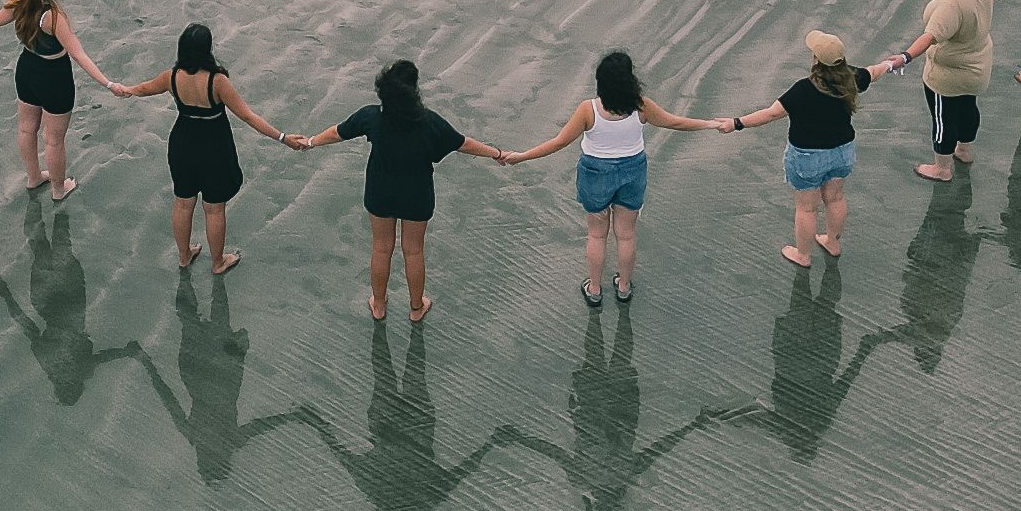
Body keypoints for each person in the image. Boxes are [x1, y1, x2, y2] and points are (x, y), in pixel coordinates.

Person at [501, 49, 719, 304]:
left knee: (596, 235)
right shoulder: (641, 105)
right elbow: (675, 122)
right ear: (630, 80)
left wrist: (521, 156)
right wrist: (712, 124)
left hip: (596, 174)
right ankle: (624, 287)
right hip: (632, 170)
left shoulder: (588, 110)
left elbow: (558, 143)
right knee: (626, 235)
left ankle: (594, 290)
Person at [288, 57, 476, 320]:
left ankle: (378, 305)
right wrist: (499, 153)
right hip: (416, 195)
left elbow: (337, 132)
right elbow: (463, 143)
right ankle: (415, 307)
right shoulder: (429, 122)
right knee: (413, 251)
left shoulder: (372, 117)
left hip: (380, 191)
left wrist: (309, 141)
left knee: (381, 248)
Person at [117, 23, 287, 276]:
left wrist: (124, 89)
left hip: (182, 143)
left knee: (183, 202)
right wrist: (283, 137)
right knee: (214, 208)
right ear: (207, 49)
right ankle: (218, 262)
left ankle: (184, 255)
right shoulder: (218, 82)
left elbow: (142, 89)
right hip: (213, 147)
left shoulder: (171, 77)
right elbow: (248, 117)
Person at [711, 30, 867, 269]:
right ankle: (833, 243)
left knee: (807, 208)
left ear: (816, 60)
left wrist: (736, 123)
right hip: (842, 151)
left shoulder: (803, 90)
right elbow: (873, 73)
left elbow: (771, 113)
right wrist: (894, 62)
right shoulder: (852, 78)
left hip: (808, 157)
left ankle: (803, 255)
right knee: (835, 198)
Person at [0, 0, 120, 194]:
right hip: (53, 78)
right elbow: (78, 55)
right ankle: (58, 189)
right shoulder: (53, 17)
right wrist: (108, 84)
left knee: (25, 128)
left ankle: (33, 177)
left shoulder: (19, 2)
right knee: (53, 140)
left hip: (26, 70)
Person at [871, 0, 996, 179]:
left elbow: (930, 37)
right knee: (969, 108)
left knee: (943, 118)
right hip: (978, 68)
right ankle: (965, 151)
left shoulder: (952, 3)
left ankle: (941, 168)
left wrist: (904, 57)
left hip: (948, 76)